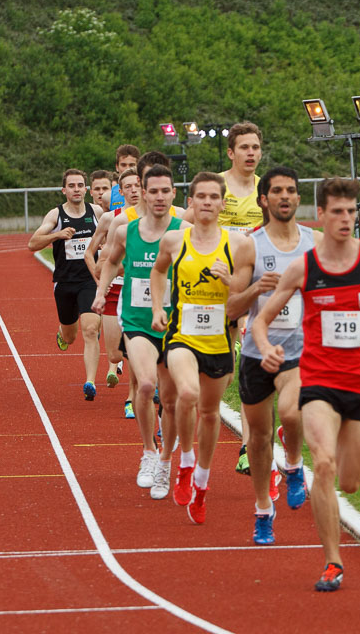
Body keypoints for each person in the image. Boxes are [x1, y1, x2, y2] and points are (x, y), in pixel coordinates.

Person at [251, 177, 360, 591]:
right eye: (337, 211)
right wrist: (265, 347)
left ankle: (319, 456)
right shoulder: (306, 267)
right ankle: (333, 562)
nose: (346, 219)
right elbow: (261, 320)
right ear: (320, 214)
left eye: (352, 212)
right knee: (324, 465)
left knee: (350, 481)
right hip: (318, 379)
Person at [227, 166, 321, 545]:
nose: (285, 196)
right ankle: (263, 508)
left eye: (291, 190)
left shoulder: (314, 243)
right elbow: (231, 307)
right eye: (277, 191)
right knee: (261, 439)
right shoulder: (250, 245)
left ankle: (295, 465)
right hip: (255, 352)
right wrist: (256, 290)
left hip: (299, 351)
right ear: (263, 199)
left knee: (291, 410)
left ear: (299, 198)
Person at [151, 171, 242, 525]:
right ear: (190, 201)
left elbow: (245, 298)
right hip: (181, 337)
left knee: (210, 413)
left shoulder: (238, 245)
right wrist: (159, 308)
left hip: (219, 341)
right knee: (186, 393)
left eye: (213, 197)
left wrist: (230, 281)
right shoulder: (174, 241)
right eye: (200, 196)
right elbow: (158, 273)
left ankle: (201, 483)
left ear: (222, 203)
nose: (206, 202)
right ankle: (185, 461)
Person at [92, 164, 184, 497]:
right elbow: (111, 262)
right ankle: (148, 451)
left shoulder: (183, 230)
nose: (159, 197)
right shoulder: (125, 231)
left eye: (165, 191)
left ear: (173, 193)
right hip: (135, 320)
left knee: (170, 402)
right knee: (145, 385)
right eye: (153, 191)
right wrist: (102, 293)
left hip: (173, 325)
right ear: (143, 193)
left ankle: (165, 462)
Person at [184, 122, 263, 477]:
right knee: (222, 377)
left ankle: (248, 447)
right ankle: (182, 414)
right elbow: (184, 226)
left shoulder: (266, 190)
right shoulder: (214, 187)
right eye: (244, 147)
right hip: (210, 291)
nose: (251, 154)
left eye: (255, 147)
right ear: (230, 152)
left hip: (250, 287)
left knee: (249, 367)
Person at [28, 169, 104, 401]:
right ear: (64, 190)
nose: (77, 189)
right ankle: (63, 333)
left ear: (86, 189)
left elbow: (111, 237)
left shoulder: (96, 211)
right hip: (65, 283)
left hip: (90, 281)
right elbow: (32, 244)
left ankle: (90, 382)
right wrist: (57, 235)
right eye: (72, 186)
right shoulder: (56, 214)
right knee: (71, 336)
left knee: (91, 330)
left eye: (81, 185)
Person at [86, 168, 142, 405]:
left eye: (137, 185)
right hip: (115, 288)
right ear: (120, 191)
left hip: (142, 291)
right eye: (127, 187)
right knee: (115, 354)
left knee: (140, 347)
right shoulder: (112, 219)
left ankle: (134, 398)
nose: (133, 190)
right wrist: (101, 283)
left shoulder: (163, 218)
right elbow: (94, 257)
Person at [110, 144, 141, 210]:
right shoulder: (108, 197)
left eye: (131, 165)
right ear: (117, 167)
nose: (127, 168)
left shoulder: (147, 193)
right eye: (123, 165)